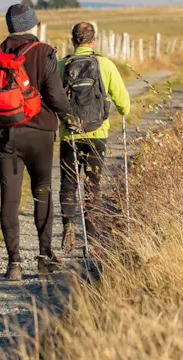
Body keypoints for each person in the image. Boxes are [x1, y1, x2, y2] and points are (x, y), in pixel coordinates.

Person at [0, 3, 75, 281]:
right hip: (40, 134)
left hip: (6, 134)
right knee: (42, 192)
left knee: (10, 199)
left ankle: (14, 263)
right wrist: (70, 118)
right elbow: (55, 95)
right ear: (33, 25)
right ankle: (44, 258)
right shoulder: (44, 51)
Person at [58, 22, 130, 254]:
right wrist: (123, 111)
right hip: (97, 134)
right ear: (94, 40)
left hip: (69, 134)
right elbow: (124, 103)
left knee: (68, 184)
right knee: (92, 185)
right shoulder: (105, 65)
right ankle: (92, 236)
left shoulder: (62, 65)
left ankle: (68, 225)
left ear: (72, 41)